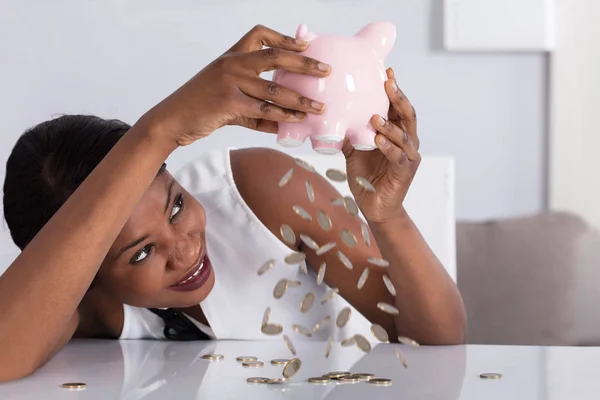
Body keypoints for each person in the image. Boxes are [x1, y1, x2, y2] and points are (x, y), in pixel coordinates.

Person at [0, 25, 466, 382]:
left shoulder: (262, 192)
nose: (183, 251)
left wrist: (388, 214)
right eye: (141, 252)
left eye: (177, 206)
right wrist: (158, 130)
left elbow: (439, 338)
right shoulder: (81, 307)